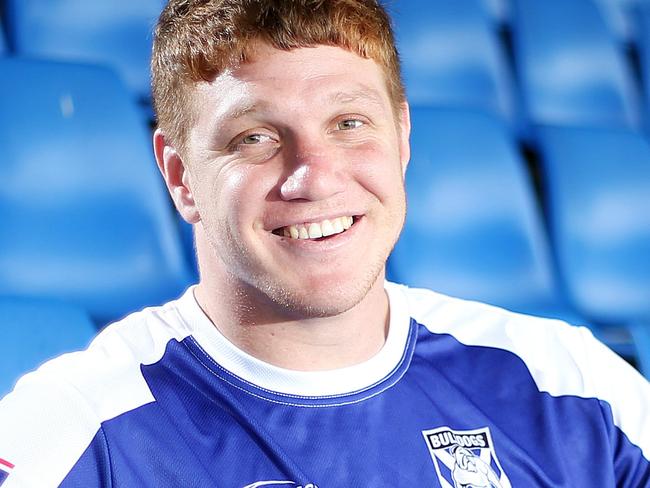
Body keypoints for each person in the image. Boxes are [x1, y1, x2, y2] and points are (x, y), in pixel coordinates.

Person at [1, 0, 649, 486]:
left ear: (401, 138)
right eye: (254, 136)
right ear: (180, 176)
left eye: (348, 123)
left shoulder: (570, 382)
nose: (314, 174)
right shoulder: (79, 429)